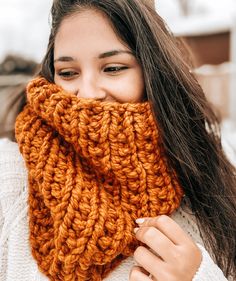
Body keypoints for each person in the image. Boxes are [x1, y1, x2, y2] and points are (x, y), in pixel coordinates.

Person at [0, 0, 235, 280]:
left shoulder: (206, 175)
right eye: (67, 72)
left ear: (152, 73)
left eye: (113, 68)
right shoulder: (10, 176)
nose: (87, 92)